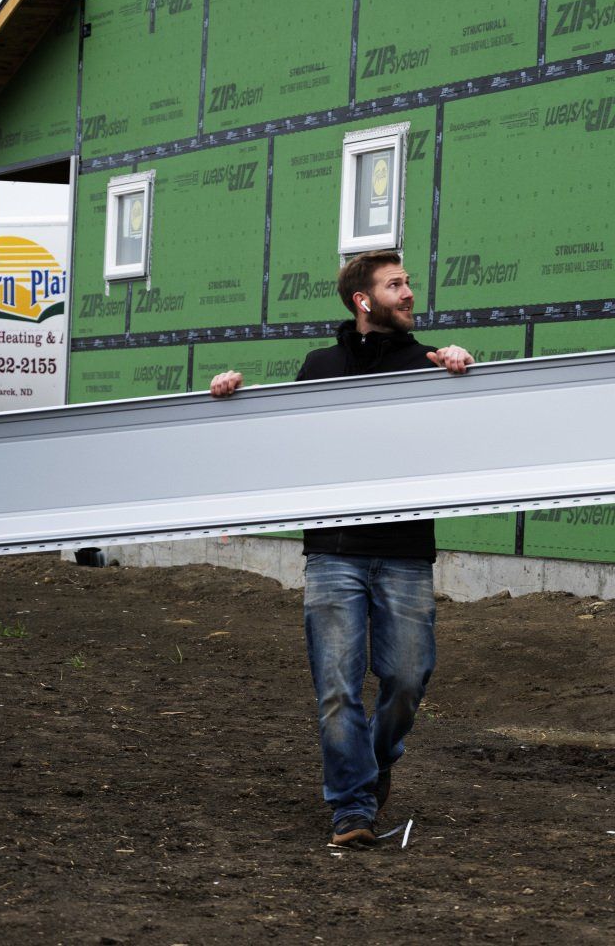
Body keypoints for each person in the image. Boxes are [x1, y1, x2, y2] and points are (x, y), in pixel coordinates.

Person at [210, 250, 473, 847]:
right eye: (395, 285)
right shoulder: (319, 366)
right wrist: (232, 398)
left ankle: (373, 766)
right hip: (334, 552)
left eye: (407, 283)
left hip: (405, 550)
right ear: (363, 300)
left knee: (407, 679)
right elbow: (281, 443)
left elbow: (467, 431)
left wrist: (460, 368)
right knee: (337, 689)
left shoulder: (429, 363)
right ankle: (352, 808)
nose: (408, 293)